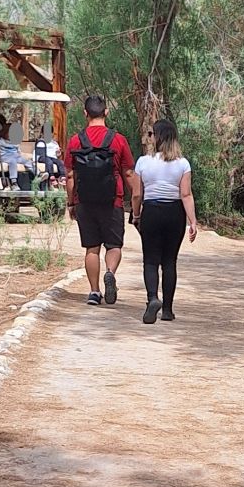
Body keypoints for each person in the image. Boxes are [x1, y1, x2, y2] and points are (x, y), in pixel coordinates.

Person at [64, 96, 137, 306]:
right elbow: (129, 172)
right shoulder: (118, 139)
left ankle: (94, 292)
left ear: (85, 114)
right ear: (106, 113)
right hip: (112, 200)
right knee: (113, 245)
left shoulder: (76, 140)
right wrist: (135, 199)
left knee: (92, 248)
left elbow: (70, 176)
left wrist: (71, 203)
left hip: (84, 201)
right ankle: (110, 273)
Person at [131, 119, 198, 324]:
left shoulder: (143, 162)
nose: (149, 137)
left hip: (151, 211)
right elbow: (186, 194)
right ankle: (167, 309)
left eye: (151, 134)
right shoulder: (183, 163)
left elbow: (136, 194)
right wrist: (192, 222)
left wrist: (136, 215)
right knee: (169, 261)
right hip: (174, 213)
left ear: (157, 137)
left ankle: (153, 298)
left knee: (151, 260)